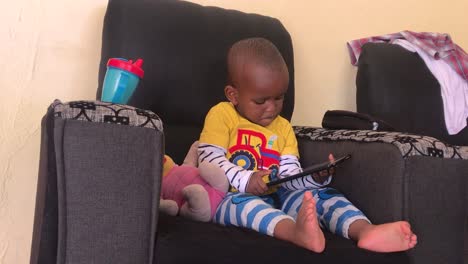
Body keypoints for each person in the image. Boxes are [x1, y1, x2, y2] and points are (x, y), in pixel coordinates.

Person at [198, 37, 417, 253]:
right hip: (230, 195)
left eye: (279, 98)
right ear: (233, 95)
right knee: (244, 206)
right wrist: (246, 180)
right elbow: (208, 159)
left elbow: (289, 175)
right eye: (261, 101)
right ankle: (295, 232)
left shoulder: (283, 127)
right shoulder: (222, 114)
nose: (272, 108)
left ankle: (364, 230)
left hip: (279, 196)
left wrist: (313, 177)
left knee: (322, 195)